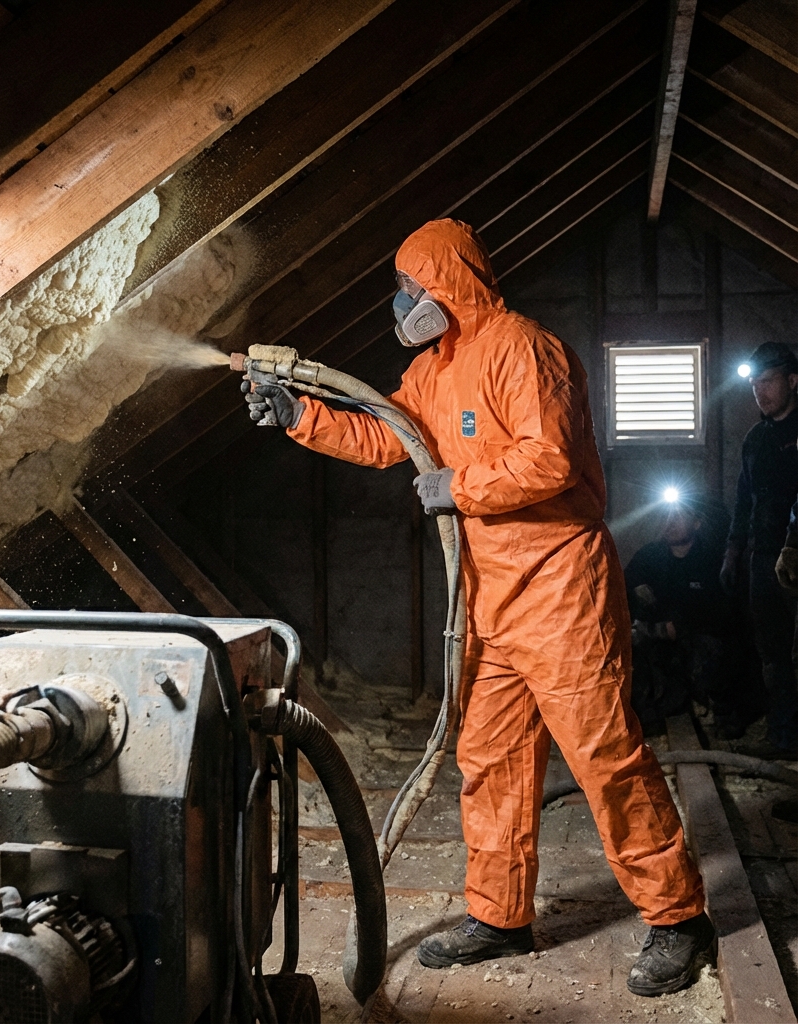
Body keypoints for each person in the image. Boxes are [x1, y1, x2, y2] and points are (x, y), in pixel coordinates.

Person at [243, 219, 711, 997]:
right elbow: (386, 435)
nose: (402, 302)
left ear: (445, 283)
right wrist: (300, 418)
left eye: (409, 287)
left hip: (562, 591)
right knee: (489, 761)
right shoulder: (435, 368)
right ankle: (499, 916)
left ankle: (678, 918)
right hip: (488, 599)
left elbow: (550, 459)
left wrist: (457, 488)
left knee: (606, 758)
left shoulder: (524, 347)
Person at [720, 342, 798, 756]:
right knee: (772, 652)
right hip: (763, 558)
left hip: (797, 561)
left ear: (792, 380)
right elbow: (743, 500)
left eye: (767, 382)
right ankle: (783, 736)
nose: (760, 392)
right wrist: (735, 551)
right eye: (754, 385)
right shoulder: (756, 439)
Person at [625, 497, 733, 736]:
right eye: (666, 516)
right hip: (659, 642)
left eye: (678, 516)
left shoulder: (711, 560)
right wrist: (637, 597)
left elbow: (722, 611)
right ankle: (649, 714)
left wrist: (682, 625)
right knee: (638, 656)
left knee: (714, 653)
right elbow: (621, 589)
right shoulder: (649, 556)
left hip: (698, 642)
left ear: (696, 523)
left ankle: (720, 713)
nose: (670, 522)